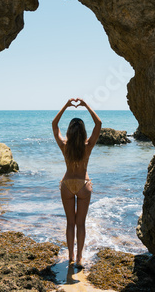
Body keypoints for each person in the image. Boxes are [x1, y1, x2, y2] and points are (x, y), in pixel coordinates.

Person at [52, 98, 102, 266]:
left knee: (70, 223)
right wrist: (86, 105)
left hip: (66, 185)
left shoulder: (64, 145)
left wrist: (66, 105)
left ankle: (71, 257)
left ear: (70, 131)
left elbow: (54, 124)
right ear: (83, 132)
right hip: (83, 184)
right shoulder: (88, 146)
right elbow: (98, 123)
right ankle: (80, 258)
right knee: (80, 224)